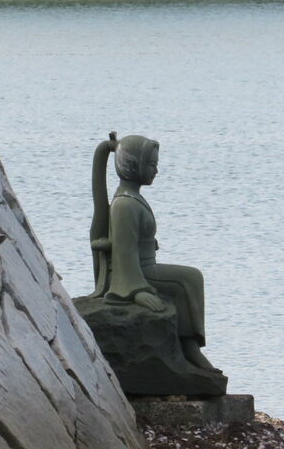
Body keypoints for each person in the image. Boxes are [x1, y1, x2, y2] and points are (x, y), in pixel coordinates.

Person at [90, 133, 215, 371]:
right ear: (133, 165)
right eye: (151, 165)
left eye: (155, 165)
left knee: (192, 277)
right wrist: (137, 291)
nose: (155, 170)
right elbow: (125, 255)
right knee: (188, 280)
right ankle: (189, 348)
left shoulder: (132, 199)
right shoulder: (125, 205)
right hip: (141, 271)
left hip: (146, 265)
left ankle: (189, 347)